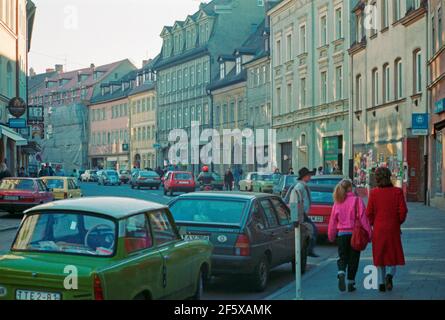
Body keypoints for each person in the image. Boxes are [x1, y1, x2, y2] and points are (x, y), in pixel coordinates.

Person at [366, 167, 408, 292]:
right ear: (389, 176)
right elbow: (403, 211)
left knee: (380, 256)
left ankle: (380, 282)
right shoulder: (397, 192)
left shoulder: (373, 193)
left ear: (377, 178)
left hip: (379, 228)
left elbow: (369, 213)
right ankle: (390, 275)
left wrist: (374, 223)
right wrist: (397, 222)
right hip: (393, 227)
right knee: (392, 254)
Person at [328, 179, 372, 292]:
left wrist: (331, 236)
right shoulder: (357, 201)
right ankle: (351, 283)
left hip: (342, 234)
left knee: (342, 256)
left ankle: (341, 271)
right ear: (350, 188)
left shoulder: (337, 202)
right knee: (354, 259)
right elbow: (363, 219)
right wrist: (369, 233)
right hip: (355, 234)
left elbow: (332, 221)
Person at [294, 167, 319, 257]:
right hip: (301, 213)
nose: (310, 177)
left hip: (303, 213)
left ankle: (307, 250)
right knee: (313, 230)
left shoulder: (303, 185)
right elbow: (296, 200)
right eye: (308, 175)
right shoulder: (299, 187)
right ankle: (308, 250)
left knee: (309, 231)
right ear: (304, 177)